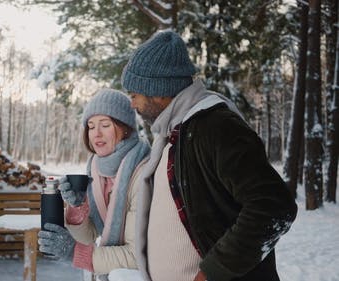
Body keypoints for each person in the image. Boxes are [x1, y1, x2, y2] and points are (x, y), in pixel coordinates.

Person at [120, 30, 298, 281]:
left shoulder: (216, 126)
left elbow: (274, 207)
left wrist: (213, 272)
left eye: (134, 95)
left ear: (158, 91)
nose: (132, 104)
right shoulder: (173, 135)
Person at [38, 89, 150, 280]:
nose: (96, 134)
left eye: (105, 125)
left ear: (125, 128)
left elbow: (135, 255)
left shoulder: (143, 172)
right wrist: (77, 207)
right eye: (90, 126)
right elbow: (90, 236)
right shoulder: (97, 169)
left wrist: (74, 253)